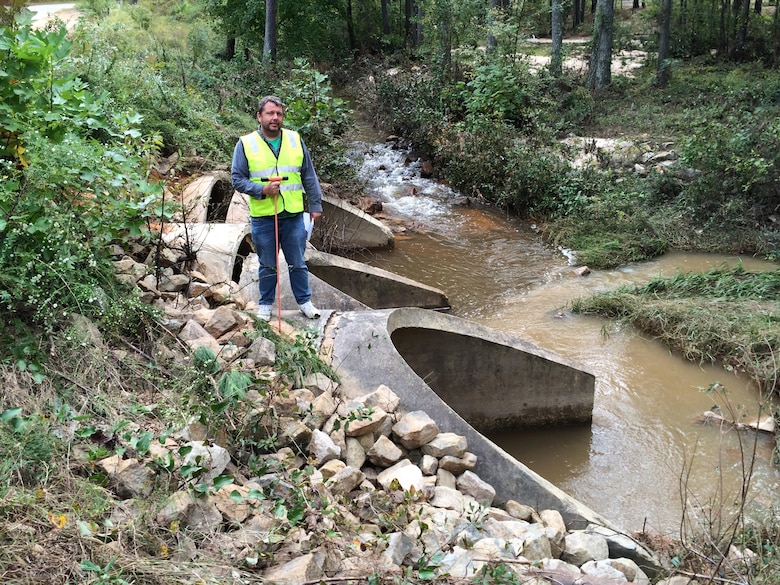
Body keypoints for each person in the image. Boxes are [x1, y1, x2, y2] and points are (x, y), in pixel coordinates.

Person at [231, 95, 323, 321]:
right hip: (263, 216)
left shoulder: (294, 139)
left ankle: (305, 302)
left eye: (279, 114)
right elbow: (237, 179)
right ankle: (265, 305)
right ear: (259, 116)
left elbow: (308, 175)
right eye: (270, 113)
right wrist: (262, 190)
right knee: (267, 264)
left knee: (298, 262)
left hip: (292, 215)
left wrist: (315, 204)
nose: (275, 118)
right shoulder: (246, 143)